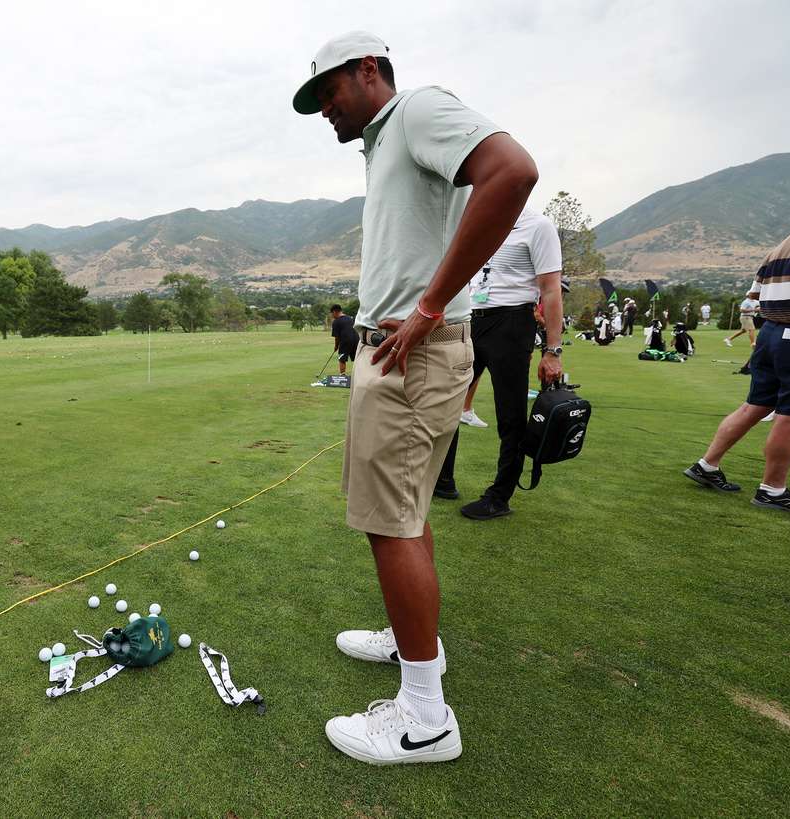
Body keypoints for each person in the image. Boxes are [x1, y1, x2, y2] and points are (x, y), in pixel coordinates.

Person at [293, 31, 538, 764]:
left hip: (412, 353)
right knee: (405, 514)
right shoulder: (385, 141)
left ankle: (425, 718)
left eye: (328, 93)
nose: (324, 112)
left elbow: (514, 171)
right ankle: (412, 643)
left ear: (369, 70)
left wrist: (430, 307)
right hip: (405, 351)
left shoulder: (419, 110)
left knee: (389, 524)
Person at [434, 208, 563, 516]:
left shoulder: (538, 226)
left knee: (510, 416)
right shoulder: (482, 221)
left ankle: (500, 496)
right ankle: (442, 479)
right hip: (472, 320)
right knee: (448, 402)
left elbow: (551, 289)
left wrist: (553, 351)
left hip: (513, 322)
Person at [684, 226, 790, 514]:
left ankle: (707, 465)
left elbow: (754, 294)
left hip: (770, 333)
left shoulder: (787, 241)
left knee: (756, 404)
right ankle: (772, 490)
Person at [330, 304, 358, 375]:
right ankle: (359, 375)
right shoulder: (350, 318)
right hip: (356, 340)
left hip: (345, 341)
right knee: (356, 359)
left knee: (342, 359)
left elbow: (337, 337)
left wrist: (336, 346)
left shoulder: (336, 322)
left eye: (331, 314)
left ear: (334, 312)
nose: (332, 316)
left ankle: (342, 376)